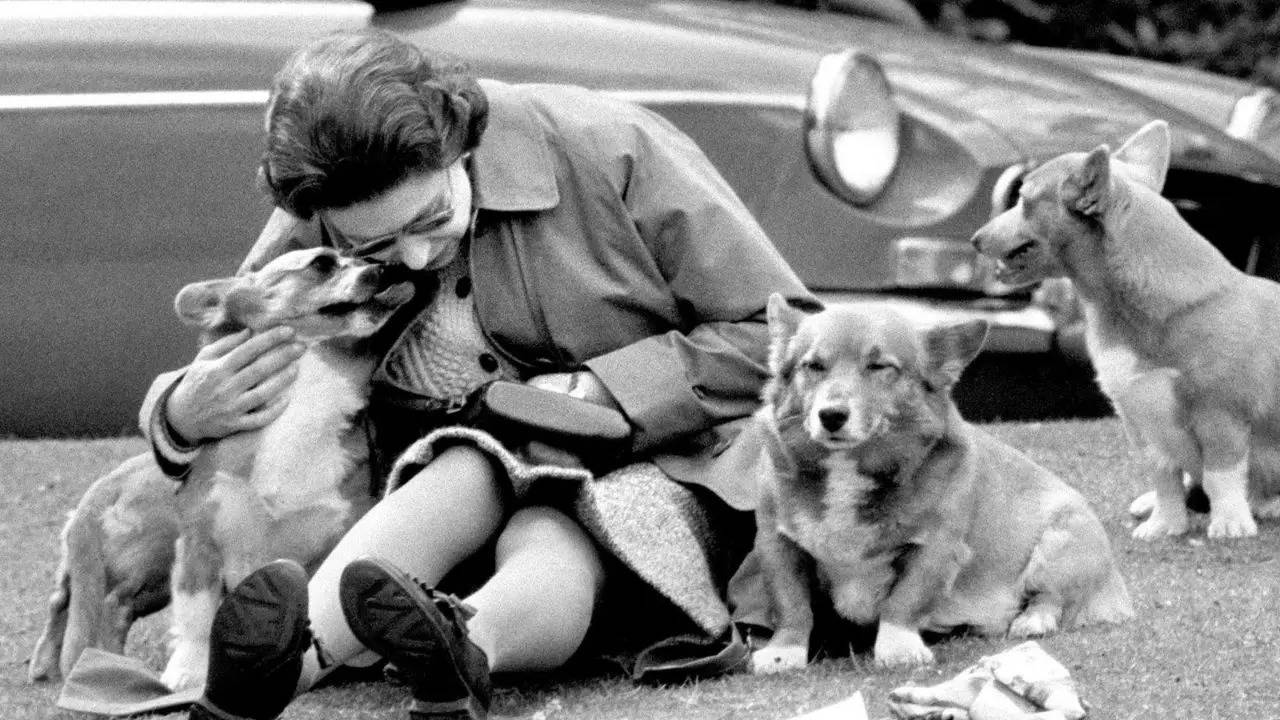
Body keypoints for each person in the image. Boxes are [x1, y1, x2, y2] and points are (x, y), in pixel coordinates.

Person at [139, 28, 813, 720]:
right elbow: (232, 336)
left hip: (655, 463)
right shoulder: (331, 196)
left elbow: (783, 333)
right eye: (375, 245)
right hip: (440, 486)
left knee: (559, 525)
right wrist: (178, 413)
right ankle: (278, 668)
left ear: (460, 139)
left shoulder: (611, 146)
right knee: (468, 464)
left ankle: (464, 644)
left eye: (431, 217)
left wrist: (606, 391)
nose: (417, 253)